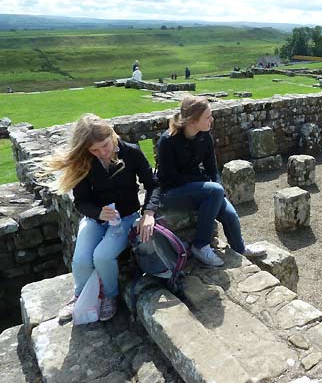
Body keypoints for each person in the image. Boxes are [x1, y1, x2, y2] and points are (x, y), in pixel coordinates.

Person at [46, 114, 159, 322]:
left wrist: (149, 213)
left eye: (105, 146)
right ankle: (79, 295)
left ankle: (110, 295)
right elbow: (81, 201)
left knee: (103, 256)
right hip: (94, 220)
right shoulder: (84, 161)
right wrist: (98, 213)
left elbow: (153, 184)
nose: (102, 153)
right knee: (80, 259)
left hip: (126, 217)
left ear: (112, 134)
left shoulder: (131, 152)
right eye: (95, 150)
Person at [156, 96, 265, 266]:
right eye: (207, 117)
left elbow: (212, 169)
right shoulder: (168, 141)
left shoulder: (204, 136)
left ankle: (240, 249)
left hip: (197, 187)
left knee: (229, 213)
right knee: (214, 191)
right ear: (192, 121)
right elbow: (169, 178)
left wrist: (217, 186)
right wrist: (209, 185)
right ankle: (200, 245)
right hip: (171, 192)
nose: (211, 120)